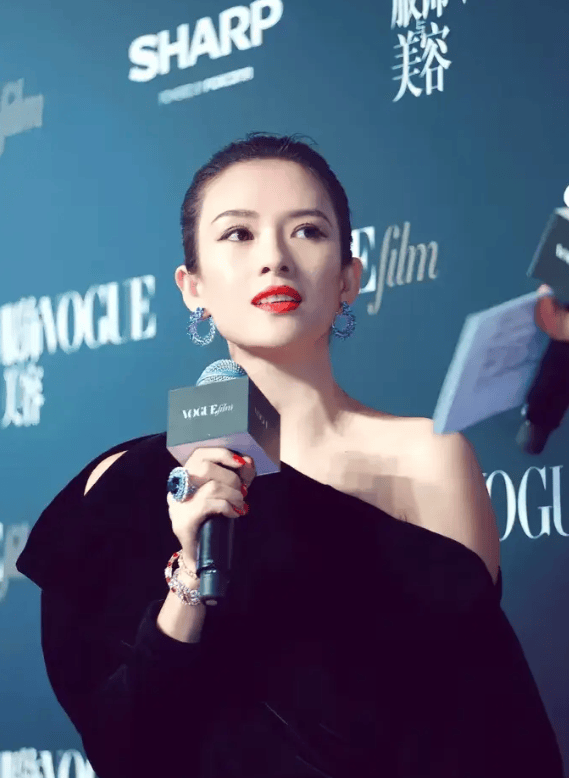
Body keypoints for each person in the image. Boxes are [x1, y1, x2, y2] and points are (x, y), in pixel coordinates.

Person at [16, 133, 564, 778]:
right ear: (192, 287)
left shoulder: (429, 457)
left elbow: (481, 718)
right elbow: (125, 748)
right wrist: (190, 575)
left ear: (349, 278)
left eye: (307, 231)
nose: (274, 258)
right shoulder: (125, 487)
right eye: (238, 234)